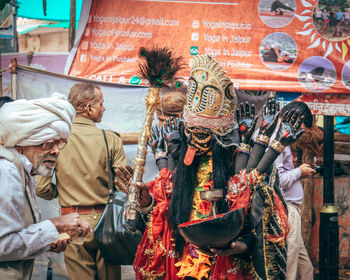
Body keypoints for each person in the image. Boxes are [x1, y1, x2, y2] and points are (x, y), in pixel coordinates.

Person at [116, 54, 305, 279]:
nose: (195, 141)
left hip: (226, 268)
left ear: (221, 138)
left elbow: (262, 234)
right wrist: (145, 201)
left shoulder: (241, 167)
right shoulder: (179, 169)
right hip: (181, 267)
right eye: (191, 133)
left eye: (203, 135)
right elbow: (160, 222)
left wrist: (239, 246)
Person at [36, 83, 127, 280]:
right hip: (107, 223)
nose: (104, 108)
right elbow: (124, 184)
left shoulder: (56, 141)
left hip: (71, 223)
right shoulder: (110, 139)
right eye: (101, 104)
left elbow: (42, 188)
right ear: (89, 108)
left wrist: (64, 190)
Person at [0, 93, 91, 280]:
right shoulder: (7, 172)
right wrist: (55, 225)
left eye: (60, 143)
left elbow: (17, 235)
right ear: (21, 144)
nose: (56, 151)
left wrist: (49, 240)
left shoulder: (24, 170)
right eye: (49, 143)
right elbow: (3, 244)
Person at [275, 101, 315, 280]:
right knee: (290, 265)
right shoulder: (276, 139)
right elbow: (279, 179)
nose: (300, 135)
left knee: (305, 269)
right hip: (287, 209)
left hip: (293, 210)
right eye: (301, 128)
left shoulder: (284, 137)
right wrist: (300, 171)